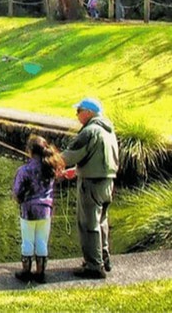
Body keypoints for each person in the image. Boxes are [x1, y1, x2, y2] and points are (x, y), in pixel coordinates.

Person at [61, 98, 119, 280]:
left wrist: (48, 162)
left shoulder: (89, 131)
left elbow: (69, 155)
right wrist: (77, 171)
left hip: (91, 184)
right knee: (101, 222)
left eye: (78, 110)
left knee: (89, 224)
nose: (76, 114)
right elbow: (98, 158)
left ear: (88, 112)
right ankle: (104, 258)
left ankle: (94, 266)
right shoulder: (108, 130)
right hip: (108, 183)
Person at [12, 135, 65, 283]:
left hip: (28, 211)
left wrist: (19, 200)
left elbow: (17, 192)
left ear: (30, 151)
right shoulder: (50, 168)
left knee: (27, 241)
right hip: (46, 210)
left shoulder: (24, 170)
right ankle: (40, 273)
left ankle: (26, 272)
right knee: (42, 241)